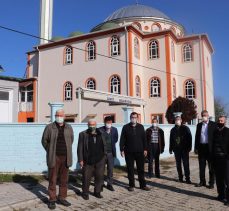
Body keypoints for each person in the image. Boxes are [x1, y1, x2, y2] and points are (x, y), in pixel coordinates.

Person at [41, 109, 74, 210]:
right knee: (53, 179)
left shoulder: (69, 127)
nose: (59, 117)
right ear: (55, 116)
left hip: (66, 157)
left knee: (64, 179)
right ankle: (52, 199)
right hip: (54, 157)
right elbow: (44, 140)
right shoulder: (49, 127)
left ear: (64, 116)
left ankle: (62, 197)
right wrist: (50, 150)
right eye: (57, 115)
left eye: (60, 115)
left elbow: (71, 139)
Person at [120, 112, 150, 191]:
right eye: (132, 117)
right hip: (129, 152)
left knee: (141, 169)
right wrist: (121, 149)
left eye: (135, 117)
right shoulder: (125, 127)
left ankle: (143, 185)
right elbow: (122, 139)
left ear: (137, 118)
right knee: (130, 169)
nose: (134, 119)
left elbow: (144, 139)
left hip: (140, 152)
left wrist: (145, 149)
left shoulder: (141, 127)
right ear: (130, 118)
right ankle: (131, 185)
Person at [77, 119, 107, 200]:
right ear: (87, 125)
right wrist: (80, 159)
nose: (92, 126)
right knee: (86, 177)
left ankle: (97, 192)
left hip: (100, 159)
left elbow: (105, 145)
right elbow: (79, 148)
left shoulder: (102, 133)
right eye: (90, 124)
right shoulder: (83, 134)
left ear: (96, 125)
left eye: (93, 124)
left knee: (99, 176)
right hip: (88, 160)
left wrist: (105, 156)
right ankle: (85, 193)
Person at [194, 110, 217, 189]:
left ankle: (211, 183)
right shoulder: (199, 125)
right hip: (201, 148)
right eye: (203, 115)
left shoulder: (214, 125)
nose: (204, 116)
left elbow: (215, 138)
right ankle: (202, 181)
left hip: (210, 149)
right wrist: (196, 148)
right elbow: (197, 137)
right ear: (201, 116)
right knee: (201, 166)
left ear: (208, 115)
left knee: (211, 167)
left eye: (206, 115)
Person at [169, 115, 192, 184]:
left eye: (178, 119)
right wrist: (170, 148)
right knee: (178, 164)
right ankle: (180, 178)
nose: (177, 121)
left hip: (184, 149)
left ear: (181, 120)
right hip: (176, 149)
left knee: (186, 164)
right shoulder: (173, 130)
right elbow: (171, 139)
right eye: (176, 120)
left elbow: (189, 138)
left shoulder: (185, 128)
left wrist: (189, 147)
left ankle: (187, 178)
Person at [212, 115, 229, 205]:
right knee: (218, 178)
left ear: (225, 122)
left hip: (225, 159)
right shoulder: (215, 131)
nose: (220, 122)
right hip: (216, 158)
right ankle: (221, 195)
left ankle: (228, 198)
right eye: (219, 120)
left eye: (222, 121)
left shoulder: (227, 131)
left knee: (227, 179)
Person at [99, 116, 118, 191]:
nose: (109, 124)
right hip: (102, 154)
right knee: (101, 169)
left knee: (110, 169)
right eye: (107, 122)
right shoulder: (100, 130)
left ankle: (109, 184)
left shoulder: (114, 130)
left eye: (110, 122)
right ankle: (100, 183)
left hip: (111, 153)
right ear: (104, 123)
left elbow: (116, 139)